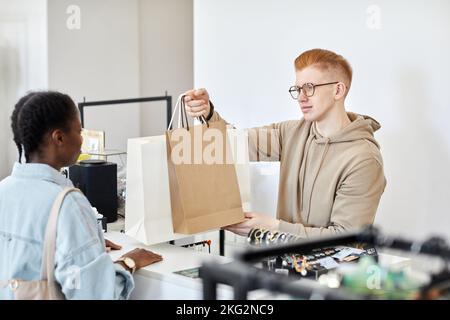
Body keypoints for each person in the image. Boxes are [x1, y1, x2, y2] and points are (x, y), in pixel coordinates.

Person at [184, 48, 386, 238]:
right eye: (297, 89)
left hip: (332, 273)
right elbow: (234, 144)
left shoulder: (363, 158)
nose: (301, 97)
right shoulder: (291, 133)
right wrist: (208, 113)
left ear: (338, 90)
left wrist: (273, 228)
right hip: (285, 264)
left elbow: (345, 238)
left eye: (310, 88)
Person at [0, 91, 162, 299]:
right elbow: (95, 294)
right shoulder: (66, 202)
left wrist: (83, 243)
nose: (82, 139)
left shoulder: (4, 190)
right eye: (79, 130)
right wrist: (129, 262)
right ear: (59, 137)